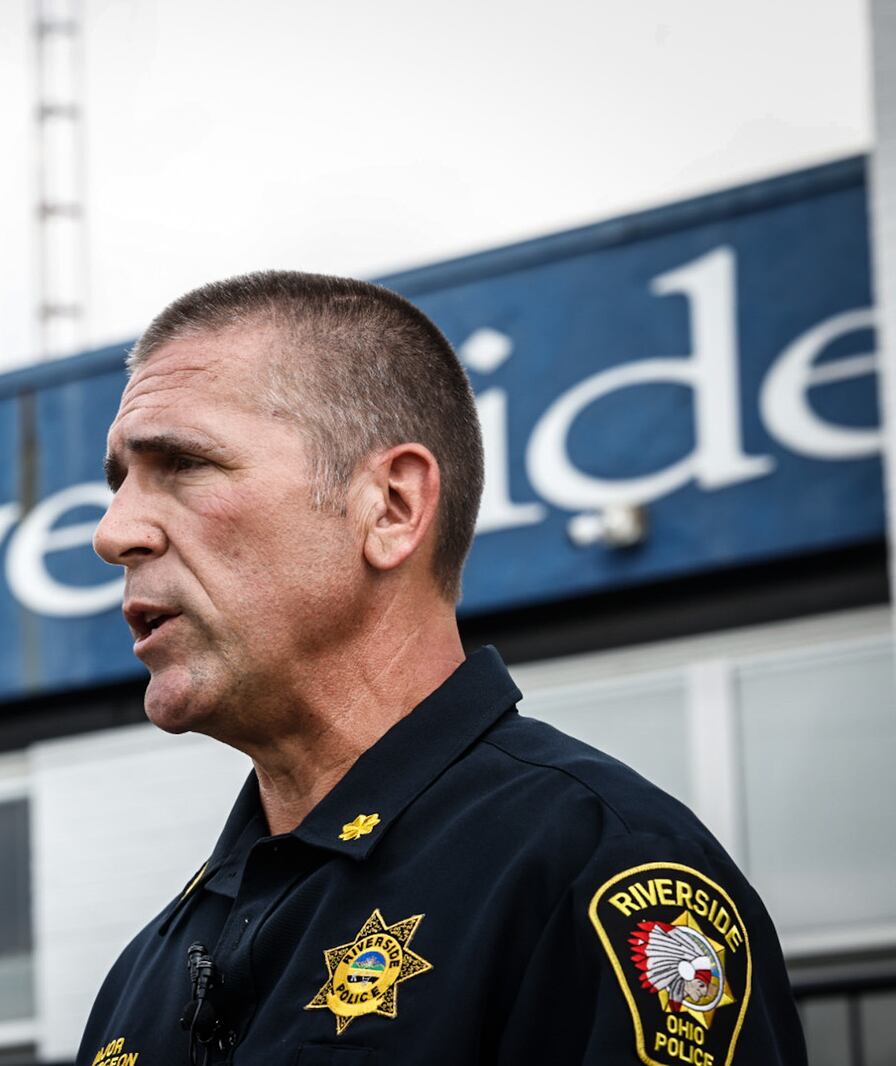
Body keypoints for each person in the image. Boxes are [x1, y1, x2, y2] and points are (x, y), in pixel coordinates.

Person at [78, 271, 806, 1065]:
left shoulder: (595, 875)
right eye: (120, 484)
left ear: (390, 507)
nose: (114, 533)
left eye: (183, 465)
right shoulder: (145, 972)